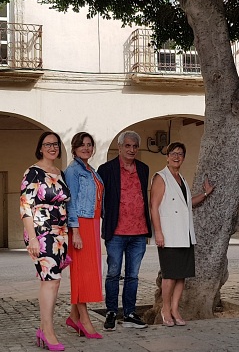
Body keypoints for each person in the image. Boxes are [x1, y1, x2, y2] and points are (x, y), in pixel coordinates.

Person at [150, 142, 214, 326]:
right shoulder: (161, 177)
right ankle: (165, 309)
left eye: (180, 154)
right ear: (167, 156)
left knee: (181, 276)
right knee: (169, 275)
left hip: (185, 234)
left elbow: (187, 204)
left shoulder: (182, 179)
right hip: (169, 235)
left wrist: (205, 193)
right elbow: (154, 206)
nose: (176, 156)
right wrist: (159, 233)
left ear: (183, 158)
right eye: (173, 153)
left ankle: (175, 309)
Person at [20, 132, 71, 351]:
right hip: (41, 232)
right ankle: (48, 332)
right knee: (49, 280)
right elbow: (25, 206)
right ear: (40, 148)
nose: (52, 147)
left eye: (55, 144)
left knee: (53, 280)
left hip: (60, 233)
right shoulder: (33, 172)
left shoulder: (59, 173)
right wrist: (32, 238)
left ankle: (43, 329)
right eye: (47, 144)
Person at [97, 131, 152, 331]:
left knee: (133, 275)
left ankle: (129, 313)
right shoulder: (106, 169)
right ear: (119, 147)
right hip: (116, 232)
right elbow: (99, 198)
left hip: (139, 232)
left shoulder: (144, 169)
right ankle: (111, 311)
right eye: (127, 146)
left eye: (135, 146)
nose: (131, 150)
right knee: (113, 274)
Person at [64, 132, 104, 339]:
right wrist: (76, 231)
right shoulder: (73, 170)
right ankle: (85, 320)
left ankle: (73, 316)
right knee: (82, 274)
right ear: (74, 147)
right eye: (82, 145)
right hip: (81, 225)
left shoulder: (91, 170)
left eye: (89, 144)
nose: (86, 148)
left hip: (93, 223)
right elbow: (70, 202)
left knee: (88, 272)